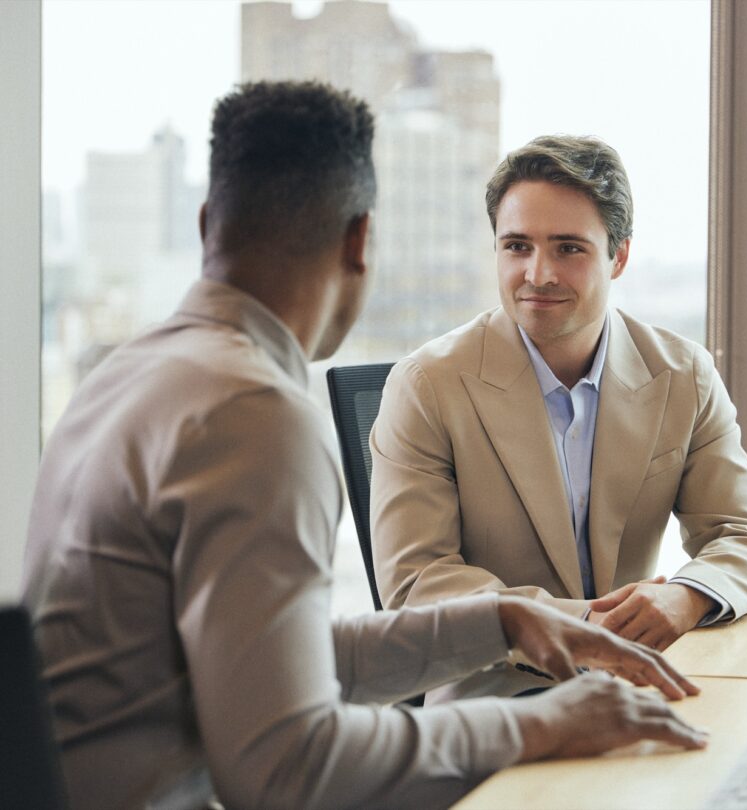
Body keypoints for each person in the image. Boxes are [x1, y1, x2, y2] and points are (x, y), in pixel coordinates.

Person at [21, 83, 707, 810]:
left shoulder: (123, 373)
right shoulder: (254, 411)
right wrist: (539, 725)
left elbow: (276, 663)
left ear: (204, 224)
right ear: (359, 240)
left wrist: (500, 621)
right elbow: (287, 768)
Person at [370, 135, 747, 701]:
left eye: (568, 248)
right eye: (516, 246)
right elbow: (417, 583)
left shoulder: (683, 374)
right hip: (495, 699)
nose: (538, 274)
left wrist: (685, 596)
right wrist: (587, 624)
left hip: (642, 684)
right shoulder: (427, 386)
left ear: (619, 256)